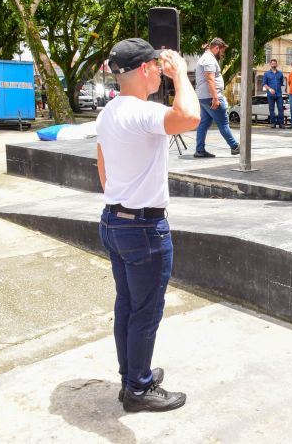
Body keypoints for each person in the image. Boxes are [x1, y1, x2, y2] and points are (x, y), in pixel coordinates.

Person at [96, 38, 199, 412]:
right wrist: (182, 77)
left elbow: (103, 167)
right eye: (156, 66)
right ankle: (137, 388)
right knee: (145, 312)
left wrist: (122, 199)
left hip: (113, 220)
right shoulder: (142, 112)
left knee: (127, 305)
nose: (160, 70)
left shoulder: (108, 113)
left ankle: (132, 375)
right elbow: (189, 117)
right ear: (144, 70)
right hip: (142, 229)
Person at [193, 38, 239, 158]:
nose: (222, 54)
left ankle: (199, 150)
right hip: (211, 97)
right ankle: (235, 146)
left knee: (203, 123)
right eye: (222, 51)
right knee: (223, 123)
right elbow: (210, 79)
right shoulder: (209, 60)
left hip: (203, 97)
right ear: (216, 48)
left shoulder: (205, 58)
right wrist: (215, 98)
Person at [262, 59, 285, 128]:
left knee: (280, 109)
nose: (274, 64)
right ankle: (273, 123)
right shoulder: (266, 73)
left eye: (275, 63)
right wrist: (270, 89)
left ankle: (281, 123)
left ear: (276, 64)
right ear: (270, 64)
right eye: (272, 63)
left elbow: (281, 83)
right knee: (271, 109)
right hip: (270, 95)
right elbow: (264, 84)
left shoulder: (280, 73)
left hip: (279, 94)